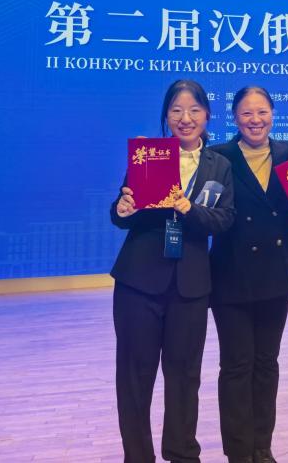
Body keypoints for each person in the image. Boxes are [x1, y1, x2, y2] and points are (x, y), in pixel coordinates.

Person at [110, 79, 235, 463]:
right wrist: (123, 209)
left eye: (194, 110)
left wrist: (188, 209)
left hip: (191, 286)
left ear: (207, 115)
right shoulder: (150, 155)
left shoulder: (220, 165)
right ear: (166, 115)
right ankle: (138, 457)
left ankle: (182, 453)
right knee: (135, 377)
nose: (185, 118)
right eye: (177, 110)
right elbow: (122, 212)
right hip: (139, 282)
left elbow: (223, 220)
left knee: (184, 376)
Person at [209, 86, 288, 463]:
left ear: (273, 115)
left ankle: (262, 447)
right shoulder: (218, 157)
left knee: (266, 365)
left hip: (275, 277)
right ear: (234, 117)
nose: (255, 120)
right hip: (230, 278)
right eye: (247, 113)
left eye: (262, 112)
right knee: (236, 366)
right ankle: (238, 452)